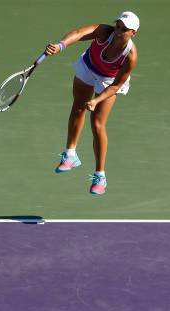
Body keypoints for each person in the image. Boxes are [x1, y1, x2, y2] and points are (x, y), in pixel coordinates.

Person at [46, 11, 139, 195]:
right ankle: (70, 154)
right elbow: (80, 33)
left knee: (97, 124)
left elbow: (116, 86)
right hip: (88, 66)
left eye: (124, 29)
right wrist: (61, 45)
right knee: (78, 105)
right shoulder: (104, 31)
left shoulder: (130, 56)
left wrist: (97, 100)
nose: (119, 31)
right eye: (118, 25)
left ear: (133, 33)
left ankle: (100, 176)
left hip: (109, 82)